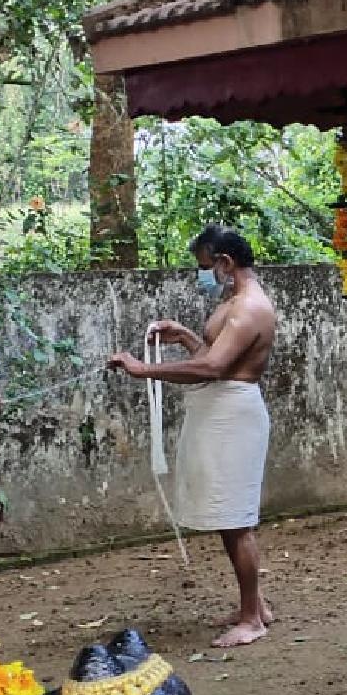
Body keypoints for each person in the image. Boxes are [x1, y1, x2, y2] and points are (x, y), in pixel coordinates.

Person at [109, 225, 276, 648]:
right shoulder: (234, 302)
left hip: (233, 416)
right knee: (226, 517)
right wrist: (183, 336)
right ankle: (253, 605)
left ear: (226, 262)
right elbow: (214, 357)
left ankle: (253, 619)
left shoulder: (249, 309)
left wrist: (144, 369)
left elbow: (212, 368)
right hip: (217, 412)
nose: (203, 275)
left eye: (205, 267)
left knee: (236, 522)